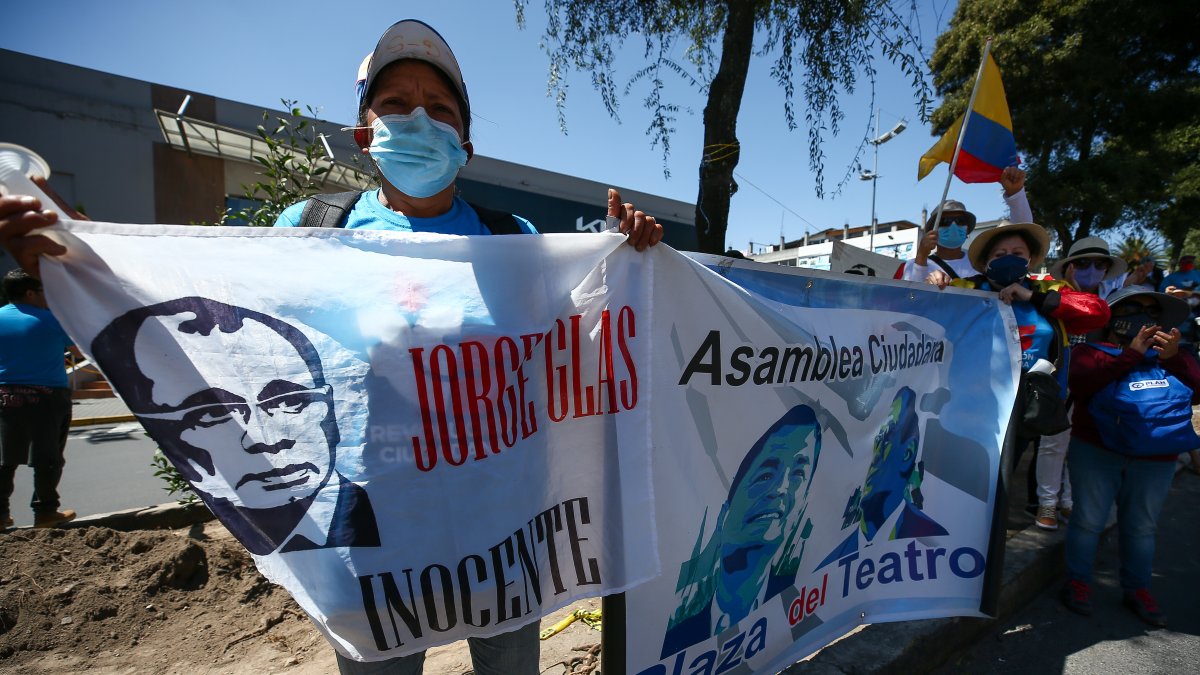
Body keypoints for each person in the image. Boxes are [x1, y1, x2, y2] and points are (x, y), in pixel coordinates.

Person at [90, 297, 379, 555]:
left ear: (328, 409)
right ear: (162, 433)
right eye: (213, 414)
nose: (266, 440)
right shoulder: (218, 553)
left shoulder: (395, 516)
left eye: (292, 402)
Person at [949, 222, 1110, 526]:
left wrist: (1030, 296)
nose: (1009, 257)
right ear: (986, 262)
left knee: (1003, 477)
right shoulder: (967, 289)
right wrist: (934, 281)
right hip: (976, 406)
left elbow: (1097, 312)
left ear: (1031, 260)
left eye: (1017, 253)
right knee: (973, 477)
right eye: (1000, 253)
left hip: (1029, 406)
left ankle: (989, 535)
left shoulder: (1050, 291)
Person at [1059, 288, 1200, 627]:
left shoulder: (1177, 356)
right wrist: (1130, 356)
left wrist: (1171, 358)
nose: (1143, 317)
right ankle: (1077, 583)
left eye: (1152, 313)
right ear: (1111, 318)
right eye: (1133, 308)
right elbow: (1080, 383)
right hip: (1095, 452)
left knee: (1141, 527)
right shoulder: (1087, 352)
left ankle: (1137, 589)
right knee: (1087, 521)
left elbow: (1197, 391)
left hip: (1156, 460)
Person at [661, 405, 821, 658]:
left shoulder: (809, 608)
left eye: (799, 474)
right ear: (724, 514)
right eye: (766, 474)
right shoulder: (673, 642)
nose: (780, 488)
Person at [1028, 237, 1127, 530]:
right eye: (1083, 263)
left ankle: (1069, 501)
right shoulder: (1054, 295)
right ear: (1069, 267)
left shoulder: (1115, 301)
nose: (1092, 270)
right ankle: (1047, 503)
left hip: (1098, 386)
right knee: (1052, 443)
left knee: (1079, 445)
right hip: (1060, 383)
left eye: (1100, 264)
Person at [816, 387, 946, 569]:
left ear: (907, 453)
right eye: (877, 436)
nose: (876, 448)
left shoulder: (938, 546)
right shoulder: (828, 566)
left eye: (887, 435)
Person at [0, 270, 76, 529]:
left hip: (4, 395)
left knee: (4, 458)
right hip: (47, 397)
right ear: (30, 293)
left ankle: (0, 515)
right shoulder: (52, 319)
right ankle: (45, 512)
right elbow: (78, 347)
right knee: (48, 457)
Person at [903, 166, 1032, 286]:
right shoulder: (914, 265)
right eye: (945, 221)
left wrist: (1016, 194)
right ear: (932, 231)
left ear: (967, 229)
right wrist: (921, 257)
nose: (953, 225)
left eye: (960, 220)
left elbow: (1023, 235)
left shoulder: (982, 262)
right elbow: (910, 299)